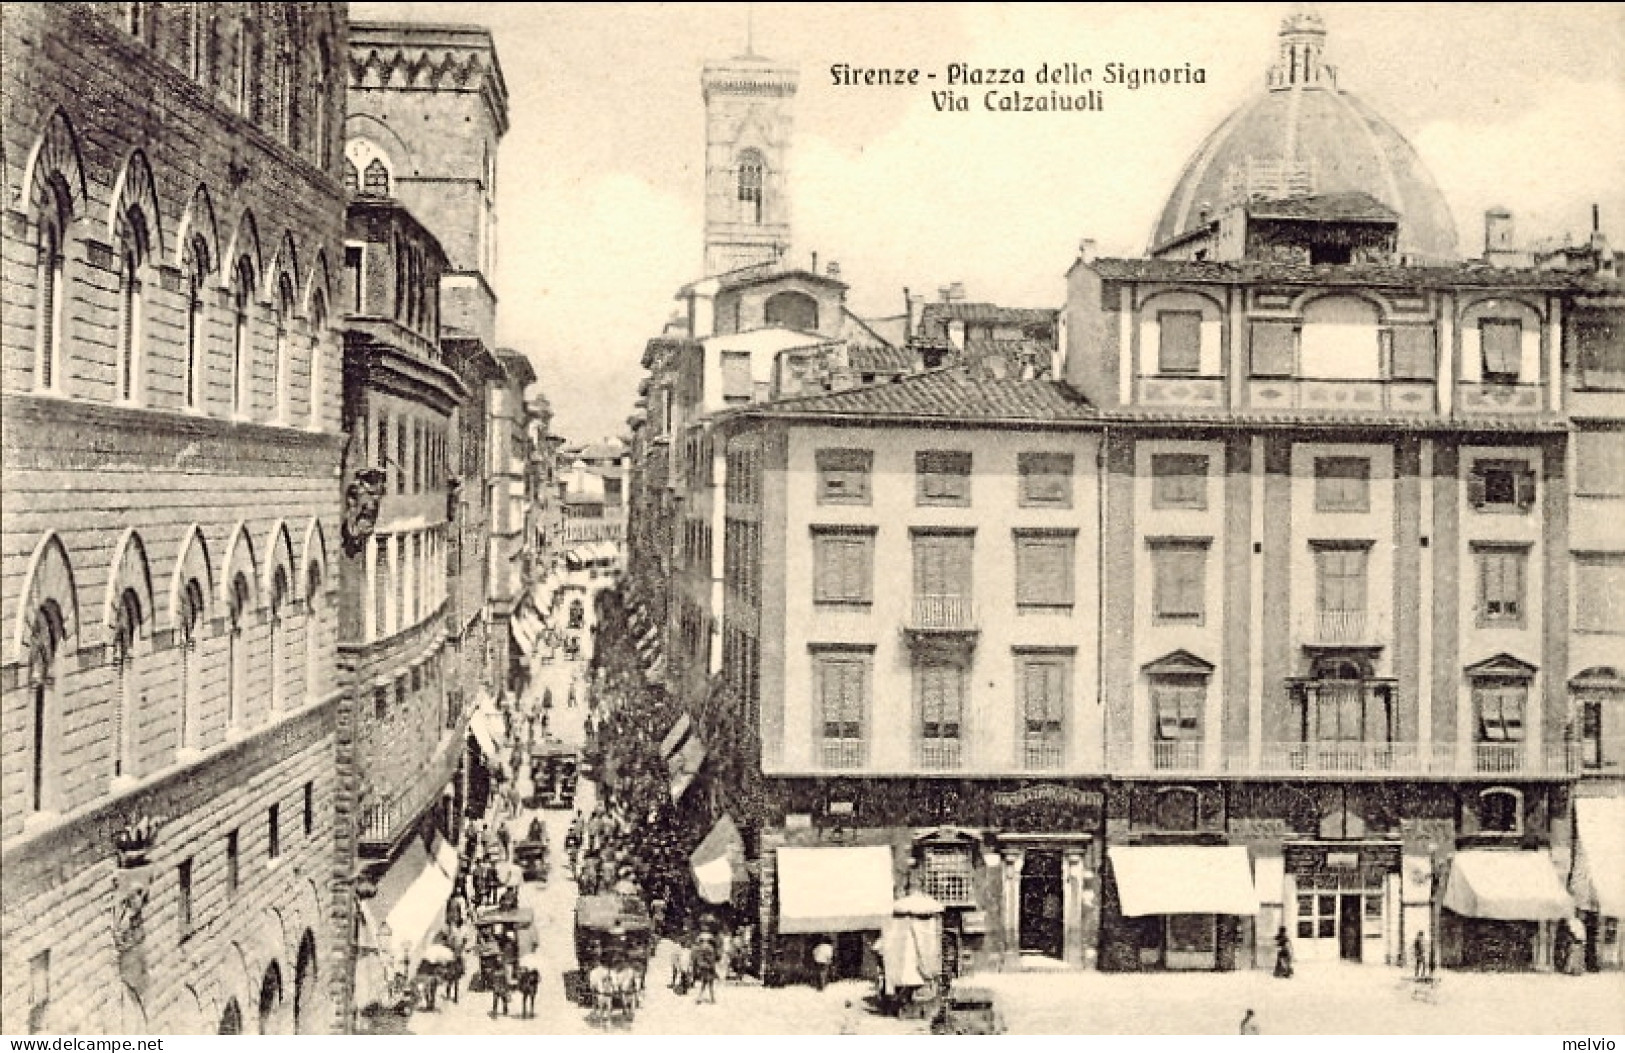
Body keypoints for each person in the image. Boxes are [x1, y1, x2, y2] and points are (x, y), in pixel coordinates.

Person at [691, 933, 719, 1004]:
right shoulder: (710, 949)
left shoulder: (700, 948)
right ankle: (711, 999)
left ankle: (700, 998)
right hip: (709, 967)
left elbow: (698, 959)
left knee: (704, 983)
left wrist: (699, 966)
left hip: (703, 967)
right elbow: (712, 960)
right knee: (710, 984)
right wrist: (713, 969)